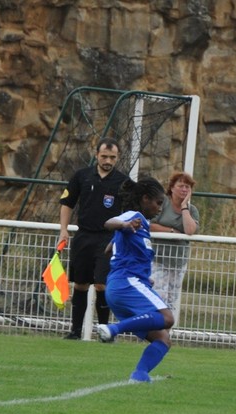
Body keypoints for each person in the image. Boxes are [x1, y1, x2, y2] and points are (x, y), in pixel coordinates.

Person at [94, 177, 174, 383]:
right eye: (157, 203)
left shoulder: (142, 225)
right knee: (167, 318)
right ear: (145, 199)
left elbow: (109, 249)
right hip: (126, 282)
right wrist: (125, 224)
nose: (159, 208)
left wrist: (121, 243)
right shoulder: (134, 216)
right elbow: (109, 223)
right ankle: (113, 329)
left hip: (124, 285)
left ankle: (139, 375)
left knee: (163, 339)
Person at [58, 137, 129, 340]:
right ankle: (75, 331)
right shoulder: (82, 176)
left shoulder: (123, 182)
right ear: (96, 154)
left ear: (118, 158)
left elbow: (133, 210)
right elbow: (67, 203)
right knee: (80, 284)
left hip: (108, 239)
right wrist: (63, 229)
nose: (108, 160)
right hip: (84, 236)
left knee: (102, 285)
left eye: (112, 157)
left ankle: (106, 332)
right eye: (104, 156)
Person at [149, 172, 200, 323]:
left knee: (171, 298)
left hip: (178, 262)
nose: (184, 189)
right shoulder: (162, 204)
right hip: (159, 259)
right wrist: (171, 231)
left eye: (187, 187)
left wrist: (184, 207)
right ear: (172, 188)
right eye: (181, 186)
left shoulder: (192, 210)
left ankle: (164, 331)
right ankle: (151, 327)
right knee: (158, 296)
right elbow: (150, 225)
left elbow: (190, 230)